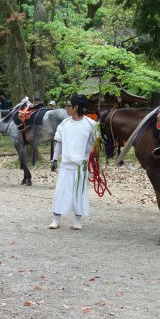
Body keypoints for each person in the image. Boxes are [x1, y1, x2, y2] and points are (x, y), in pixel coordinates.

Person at [49, 92, 97, 230]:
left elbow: (94, 144)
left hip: (81, 165)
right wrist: (54, 159)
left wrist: (91, 162)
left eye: (68, 105)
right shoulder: (65, 124)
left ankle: (77, 220)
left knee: (79, 192)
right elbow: (59, 143)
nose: (66, 108)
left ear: (76, 107)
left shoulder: (91, 124)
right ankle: (56, 219)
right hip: (65, 164)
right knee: (61, 191)